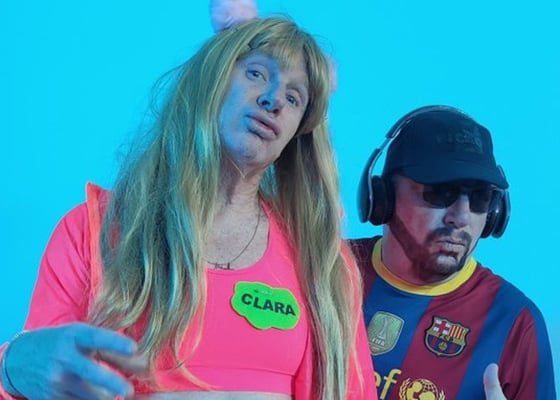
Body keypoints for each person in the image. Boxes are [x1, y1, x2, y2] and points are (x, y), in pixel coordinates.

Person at [0, 5, 378, 400]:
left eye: (294, 97)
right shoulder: (90, 233)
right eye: (256, 74)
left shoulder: (322, 261)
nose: (273, 99)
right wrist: (11, 369)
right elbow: (39, 378)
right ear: (210, 80)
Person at [351, 105, 556, 399]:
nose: (461, 217)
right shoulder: (322, 268)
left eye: (480, 198)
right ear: (383, 198)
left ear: (495, 214)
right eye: (440, 192)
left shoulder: (515, 323)